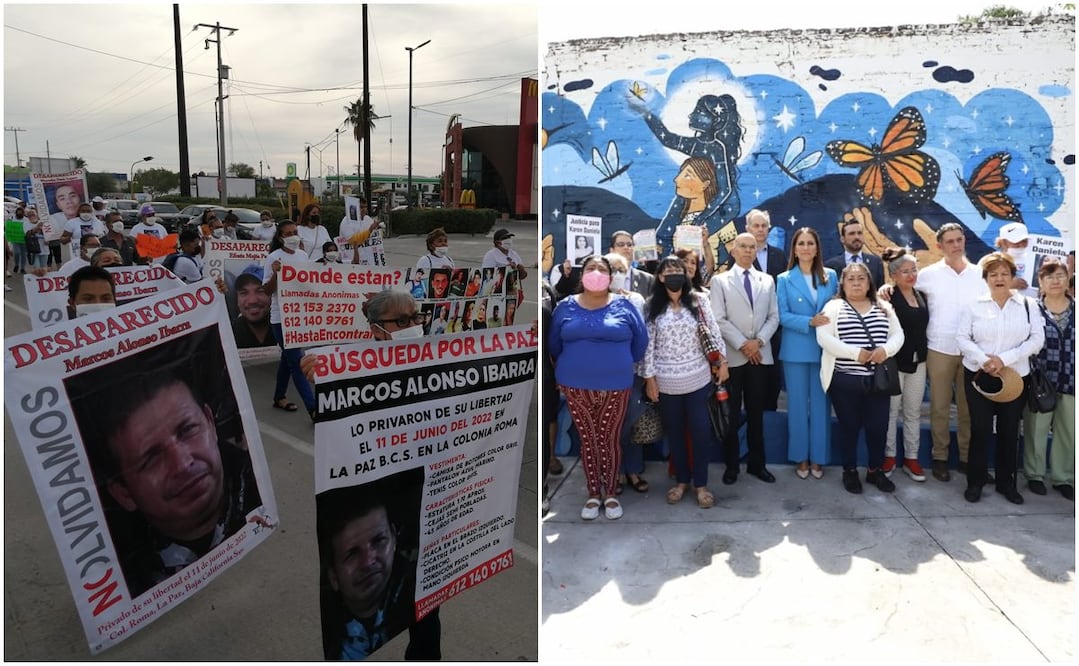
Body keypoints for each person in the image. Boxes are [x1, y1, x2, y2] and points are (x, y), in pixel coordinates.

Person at [80, 371, 262, 598]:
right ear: (123, 493)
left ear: (210, 423)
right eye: (151, 457)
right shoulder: (125, 582)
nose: (182, 464)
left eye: (187, 430)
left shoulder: (263, 493)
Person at [880, 222, 986, 482]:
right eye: (949, 241)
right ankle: (940, 458)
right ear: (939, 246)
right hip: (939, 349)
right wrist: (884, 288)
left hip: (971, 352)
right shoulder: (927, 275)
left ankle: (966, 459)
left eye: (959, 239)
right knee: (939, 407)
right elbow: (898, 288)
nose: (956, 245)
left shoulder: (979, 274)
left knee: (967, 409)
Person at [549, 254, 648, 520]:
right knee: (589, 439)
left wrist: (616, 363)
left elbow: (640, 342)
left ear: (611, 277)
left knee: (609, 439)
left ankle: (611, 493)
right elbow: (554, 344)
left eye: (602, 269)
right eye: (590, 268)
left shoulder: (625, 305)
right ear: (581, 276)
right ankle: (594, 493)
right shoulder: (566, 306)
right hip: (575, 385)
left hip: (616, 385)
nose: (596, 273)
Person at [956, 252, 1045, 504]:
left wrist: (1003, 359)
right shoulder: (974, 305)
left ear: (1013, 277)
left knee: (1009, 430)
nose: (999, 278)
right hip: (979, 375)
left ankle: (1007, 483)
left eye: (1005, 273)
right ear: (985, 278)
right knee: (981, 429)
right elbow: (962, 338)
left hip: (1016, 377)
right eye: (993, 274)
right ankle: (975, 482)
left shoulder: (1028, 305)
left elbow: (1036, 340)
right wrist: (984, 359)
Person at [318, 484, 440, 661]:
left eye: (379, 541)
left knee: (427, 603)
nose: (368, 562)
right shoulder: (337, 634)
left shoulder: (415, 578)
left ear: (394, 538)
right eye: (352, 553)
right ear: (333, 576)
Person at [641, 255, 727, 507]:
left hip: (698, 379)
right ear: (660, 277)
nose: (674, 275)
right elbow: (648, 345)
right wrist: (649, 378)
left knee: (700, 432)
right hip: (666, 382)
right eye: (668, 271)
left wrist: (722, 362)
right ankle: (681, 481)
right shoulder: (651, 305)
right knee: (675, 434)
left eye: (678, 270)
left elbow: (714, 332)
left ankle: (701, 484)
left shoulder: (699, 300)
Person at [817, 262, 905, 494]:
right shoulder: (833, 306)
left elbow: (898, 335)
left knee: (878, 428)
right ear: (843, 284)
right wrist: (855, 353)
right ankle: (850, 471)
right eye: (851, 279)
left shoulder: (883, 306)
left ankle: (875, 471)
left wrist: (885, 350)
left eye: (861, 278)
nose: (856, 283)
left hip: (878, 381)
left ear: (869, 283)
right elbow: (824, 338)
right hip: (845, 380)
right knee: (849, 427)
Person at [710, 232, 780, 485]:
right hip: (733, 359)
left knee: (756, 414)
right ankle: (731, 467)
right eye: (743, 246)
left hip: (760, 357)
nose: (749, 251)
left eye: (752, 247)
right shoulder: (720, 281)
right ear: (734, 250)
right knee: (730, 415)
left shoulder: (767, 280)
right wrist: (743, 344)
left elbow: (774, 316)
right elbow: (718, 319)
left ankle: (757, 465)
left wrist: (758, 341)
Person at [776, 227, 837, 480]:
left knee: (822, 406)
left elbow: (838, 307)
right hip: (796, 351)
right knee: (798, 406)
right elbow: (782, 315)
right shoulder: (784, 279)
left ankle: (819, 458)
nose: (805, 248)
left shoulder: (831, 276)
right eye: (801, 243)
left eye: (810, 243)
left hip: (825, 350)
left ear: (817, 247)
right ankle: (800, 457)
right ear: (794, 248)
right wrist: (809, 322)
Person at [723, 209, 786, 410]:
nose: (760, 229)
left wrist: (761, 339)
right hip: (741, 338)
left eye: (764, 226)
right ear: (747, 228)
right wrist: (746, 343)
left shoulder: (779, 256)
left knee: (770, 385)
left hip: (770, 333)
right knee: (740, 392)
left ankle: (767, 420)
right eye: (756, 226)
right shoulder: (736, 256)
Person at [1022, 259, 1074, 500]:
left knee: (1069, 432)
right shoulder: (1032, 310)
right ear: (1040, 282)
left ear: (1068, 279)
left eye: (1060, 275)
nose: (1055, 281)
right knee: (1036, 430)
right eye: (1049, 276)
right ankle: (1035, 475)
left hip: (1072, 381)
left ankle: (1063, 478)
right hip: (1041, 382)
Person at [881, 247, 929, 481]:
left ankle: (911, 457)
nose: (911, 275)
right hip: (895, 363)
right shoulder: (888, 297)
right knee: (891, 412)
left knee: (912, 412)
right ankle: (889, 456)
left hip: (919, 363)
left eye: (914, 270)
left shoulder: (922, 296)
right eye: (905, 271)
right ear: (894, 275)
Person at [263, 220, 317, 418]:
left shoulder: (302, 255)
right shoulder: (273, 257)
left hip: (299, 315)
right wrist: (276, 274)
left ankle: (279, 397)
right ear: (280, 238)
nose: (293, 236)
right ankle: (313, 408)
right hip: (281, 318)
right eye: (288, 234)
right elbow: (266, 290)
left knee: (288, 359)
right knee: (297, 361)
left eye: (295, 232)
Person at [824, 214, 886, 288]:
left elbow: (880, 290)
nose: (856, 237)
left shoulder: (876, 262)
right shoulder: (831, 266)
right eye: (852, 234)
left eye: (859, 233)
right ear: (842, 239)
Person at [231, 266, 275, 348]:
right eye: (244, 293)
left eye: (260, 291)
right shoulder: (227, 335)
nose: (252, 300)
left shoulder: (287, 330)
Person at [7, 205, 28, 274]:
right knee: (16, 252)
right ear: (16, 212)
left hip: (24, 239)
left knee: (23, 254)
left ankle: (22, 268)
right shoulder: (12, 218)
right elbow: (8, 227)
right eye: (18, 212)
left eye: (21, 212)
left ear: (23, 213)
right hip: (15, 239)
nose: (19, 213)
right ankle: (16, 264)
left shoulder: (26, 219)